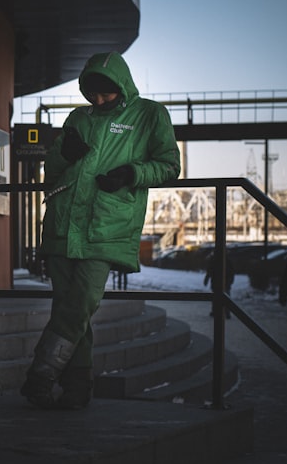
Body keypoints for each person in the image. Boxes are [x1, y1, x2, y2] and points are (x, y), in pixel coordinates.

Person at [21, 51, 180, 410]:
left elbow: (169, 165)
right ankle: (77, 389)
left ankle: (41, 373)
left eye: (106, 93)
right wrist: (66, 153)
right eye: (91, 93)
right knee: (69, 307)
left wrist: (132, 174)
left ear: (121, 85)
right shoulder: (79, 117)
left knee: (80, 304)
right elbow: (53, 169)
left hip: (107, 225)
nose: (99, 100)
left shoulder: (150, 115)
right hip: (64, 223)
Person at [203, 249, 235, 318]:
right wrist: (231, 280)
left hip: (216, 281)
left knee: (216, 297)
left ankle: (216, 311)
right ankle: (226, 313)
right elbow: (231, 272)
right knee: (225, 297)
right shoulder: (227, 260)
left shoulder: (214, 260)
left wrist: (206, 279)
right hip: (224, 282)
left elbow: (209, 271)